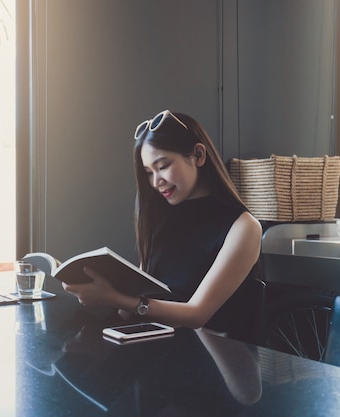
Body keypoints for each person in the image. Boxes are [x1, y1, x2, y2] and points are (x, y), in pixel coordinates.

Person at [63, 109, 262, 335]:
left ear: (198, 155)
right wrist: (97, 290)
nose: (156, 182)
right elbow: (134, 304)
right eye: (149, 172)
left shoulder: (243, 227)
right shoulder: (162, 218)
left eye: (163, 166)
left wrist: (116, 298)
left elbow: (197, 314)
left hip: (211, 355)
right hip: (156, 343)